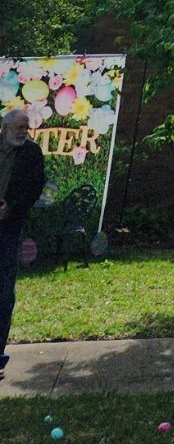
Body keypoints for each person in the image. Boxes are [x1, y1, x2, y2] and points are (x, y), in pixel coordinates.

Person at [0, 109, 46, 377]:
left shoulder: (31, 153)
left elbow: (34, 187)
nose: (23, 132)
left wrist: (11, 208)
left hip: (9, 227)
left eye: (26, 128)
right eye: (18, 127)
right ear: (5, 127)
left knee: (4, 290)